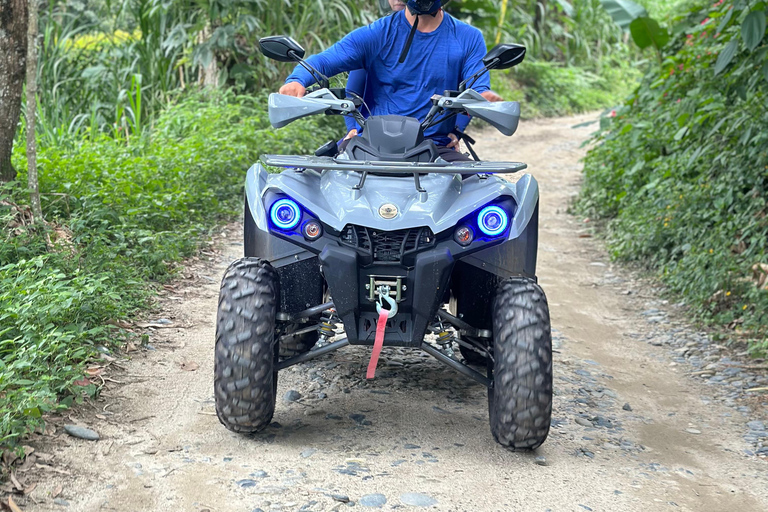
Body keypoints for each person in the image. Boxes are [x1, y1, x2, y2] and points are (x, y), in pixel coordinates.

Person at [279, 0, 500, 161]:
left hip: (434, 146)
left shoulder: (468, 37)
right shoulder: (378, 33)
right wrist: (297, 80)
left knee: (488, 197)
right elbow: (325, 60)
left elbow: (476, 87)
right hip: (370, 143)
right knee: (303, 189)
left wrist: (483, 101)